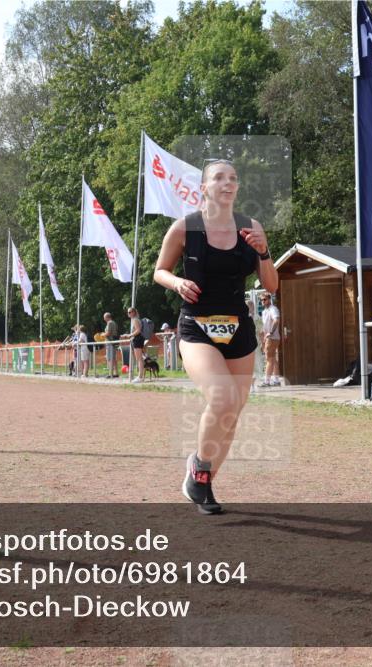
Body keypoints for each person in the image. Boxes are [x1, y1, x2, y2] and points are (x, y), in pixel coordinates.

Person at [154, 158, 279, 514]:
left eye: (234, 178)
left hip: (239, 328)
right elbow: (159, 271)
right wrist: (177, 282)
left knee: (232, 413)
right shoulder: (184, 228)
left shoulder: (251, 227)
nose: (228, 183)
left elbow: (271, 285)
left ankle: (202, 482)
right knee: (223, 399)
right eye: (219, 178)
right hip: (197, 326)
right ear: (204, 188)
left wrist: (263, 252)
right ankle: (199, 465)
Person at [259, 293, 281, 387]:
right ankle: (276, 380)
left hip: (272, 337)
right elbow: (264, 327)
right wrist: (263, 341)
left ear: (269, 299)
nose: (263, 301)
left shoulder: (273, 309)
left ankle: (266, 381)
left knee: (269, 359)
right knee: (273, 359)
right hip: (268, 338)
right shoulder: (264, 311)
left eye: (264, 299)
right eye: (261, 300)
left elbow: (276, 320)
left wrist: (271, 333)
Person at [123, 308, 145, 383]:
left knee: (139, 359)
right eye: (128, 312)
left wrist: (129, 335)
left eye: (130, 312)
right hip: (138, 339)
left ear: (134, 312)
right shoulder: (135, 319)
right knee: (139, 358)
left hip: (137, 339)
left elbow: (138, 330)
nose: (128, 313)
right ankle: (140, 376)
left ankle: (140, 376)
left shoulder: (135, 320)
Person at [103, 312, 119, 378]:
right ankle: (116, 373)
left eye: (104, 317)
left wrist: (102, 335)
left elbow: (108, 333)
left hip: (110, 342)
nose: (104, 319)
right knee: (113, 358)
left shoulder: (109, 323)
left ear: (107, 317)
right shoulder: (114, 322)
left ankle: (110, 373)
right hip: (113, 342)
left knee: (109, 358)